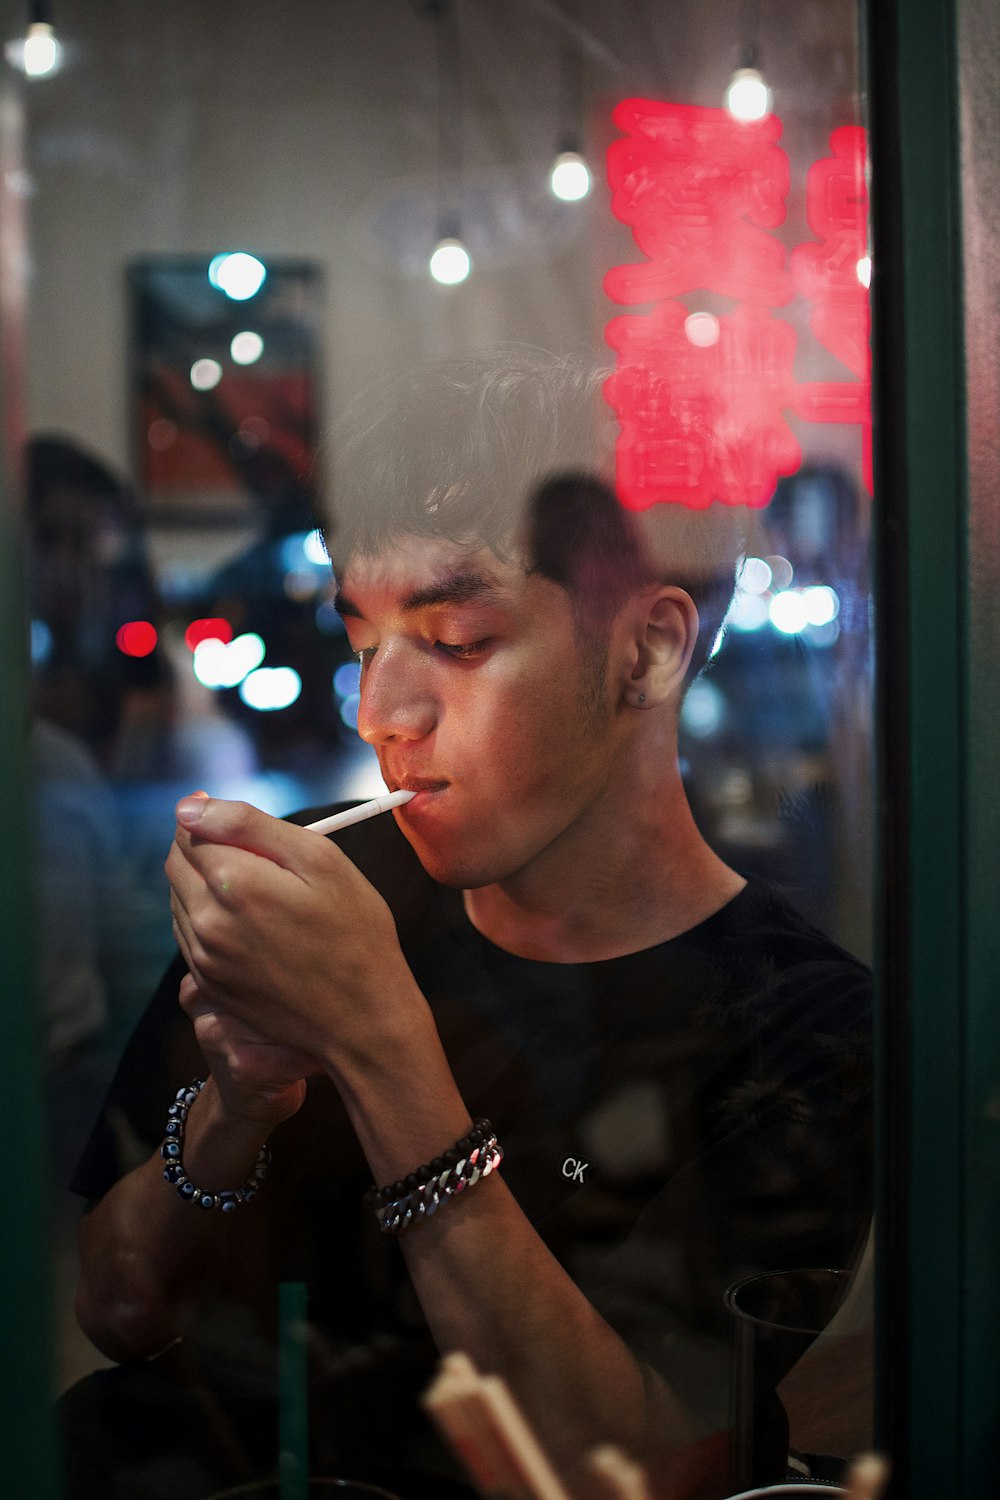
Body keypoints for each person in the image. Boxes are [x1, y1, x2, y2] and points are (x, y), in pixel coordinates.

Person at [68, 349, 872, 1500]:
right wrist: (237, 1110)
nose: (382, 713)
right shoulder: (322, 884)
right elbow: (118, 1312)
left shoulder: (803, 1022)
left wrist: (380, 1044)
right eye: (362, 640)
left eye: (456, 643)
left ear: (645, 651)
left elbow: (614, 1466)